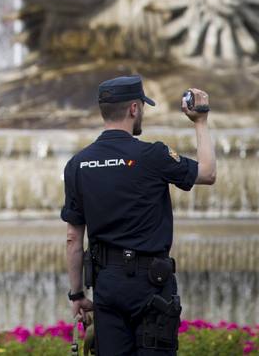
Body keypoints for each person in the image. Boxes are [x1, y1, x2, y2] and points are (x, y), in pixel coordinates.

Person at [61, 74, 216, 355]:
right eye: (142, 106)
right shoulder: (153, 155)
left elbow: (73, 238)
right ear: (134, 108)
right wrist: (201, 121)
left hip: (108, 284)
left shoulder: (77, 164)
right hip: (151, 284)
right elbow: (207, 173)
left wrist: (77, 295)